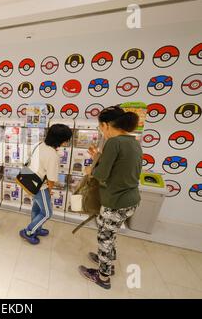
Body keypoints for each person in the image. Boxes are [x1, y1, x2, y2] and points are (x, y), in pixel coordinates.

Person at [78, 105, 142, 290]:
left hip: (115, 202)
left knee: (104, 238)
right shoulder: (133, 142)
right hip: (131, 200)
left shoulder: (114, 142)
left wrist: (91, 170)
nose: (100, 130)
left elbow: (101, 174)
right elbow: (120, 167)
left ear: (106, 125)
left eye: (100, 127)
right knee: (110, 233)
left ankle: (103, 276)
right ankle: (107, 262)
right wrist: (98, 156)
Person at [19, 124, 72, 245]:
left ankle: (37, 228)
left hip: (28, 180)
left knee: (36, 208)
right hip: (40, 186)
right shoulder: (53, 155)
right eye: (66, 139)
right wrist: (49, 190)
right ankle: (28, 231)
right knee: (47, 213)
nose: (67, 142)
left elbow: (29, 157)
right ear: (59, 139)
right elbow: (52, 178)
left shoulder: (39, 144)